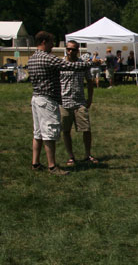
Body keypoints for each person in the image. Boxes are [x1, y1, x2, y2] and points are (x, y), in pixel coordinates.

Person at [29, 31, 96, 175]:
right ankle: (52, 166)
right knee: (49, 133)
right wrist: (92, 63)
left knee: (38, 133)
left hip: (36, 98)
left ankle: (35, 163)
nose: (53, 46)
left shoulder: (33, 58)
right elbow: (71, 66)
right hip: (47, 100)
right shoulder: (47, 58)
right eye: (51, 43)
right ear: (44, 42)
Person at [60, 40, 98, 167]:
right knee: (66, 130)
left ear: (78, 50)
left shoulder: (83, 64)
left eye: (74, 49)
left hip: (80, 102)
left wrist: (90, 98)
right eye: (69, 49)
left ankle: (88, 155)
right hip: (64, 102)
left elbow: (90, 81)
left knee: (86, 129)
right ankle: (71, 157)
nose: (71, 51)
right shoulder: (60, 63)